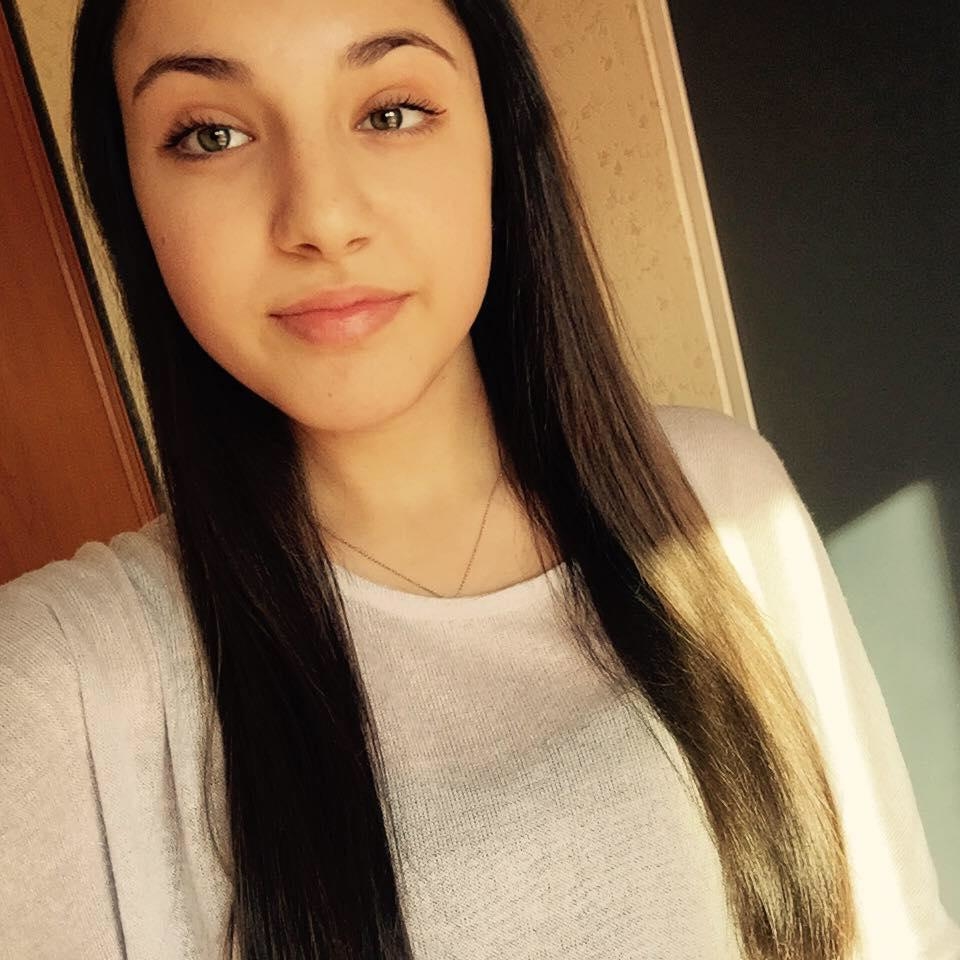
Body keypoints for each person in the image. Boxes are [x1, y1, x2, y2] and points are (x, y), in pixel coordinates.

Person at [1, 0, 958, 957]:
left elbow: (896, 931)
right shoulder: (52, 691)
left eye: (390, 112)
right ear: (130, 196)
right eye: (212, 134)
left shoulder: (719, 498)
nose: (322, 218)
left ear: (498, 133)